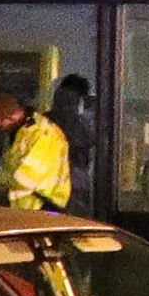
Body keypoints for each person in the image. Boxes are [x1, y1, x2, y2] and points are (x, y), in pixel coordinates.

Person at [0, 92, 70, 212]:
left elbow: (24, 179)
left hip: (41, 211)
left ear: (8, 117)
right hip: (27, 211)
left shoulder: (41, 134)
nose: (2, 130)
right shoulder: (24, 133)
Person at [48, 72, 98, 215]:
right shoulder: (84, 122)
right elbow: (88, 137)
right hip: (76, 182)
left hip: (48, 186)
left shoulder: (44, 121)